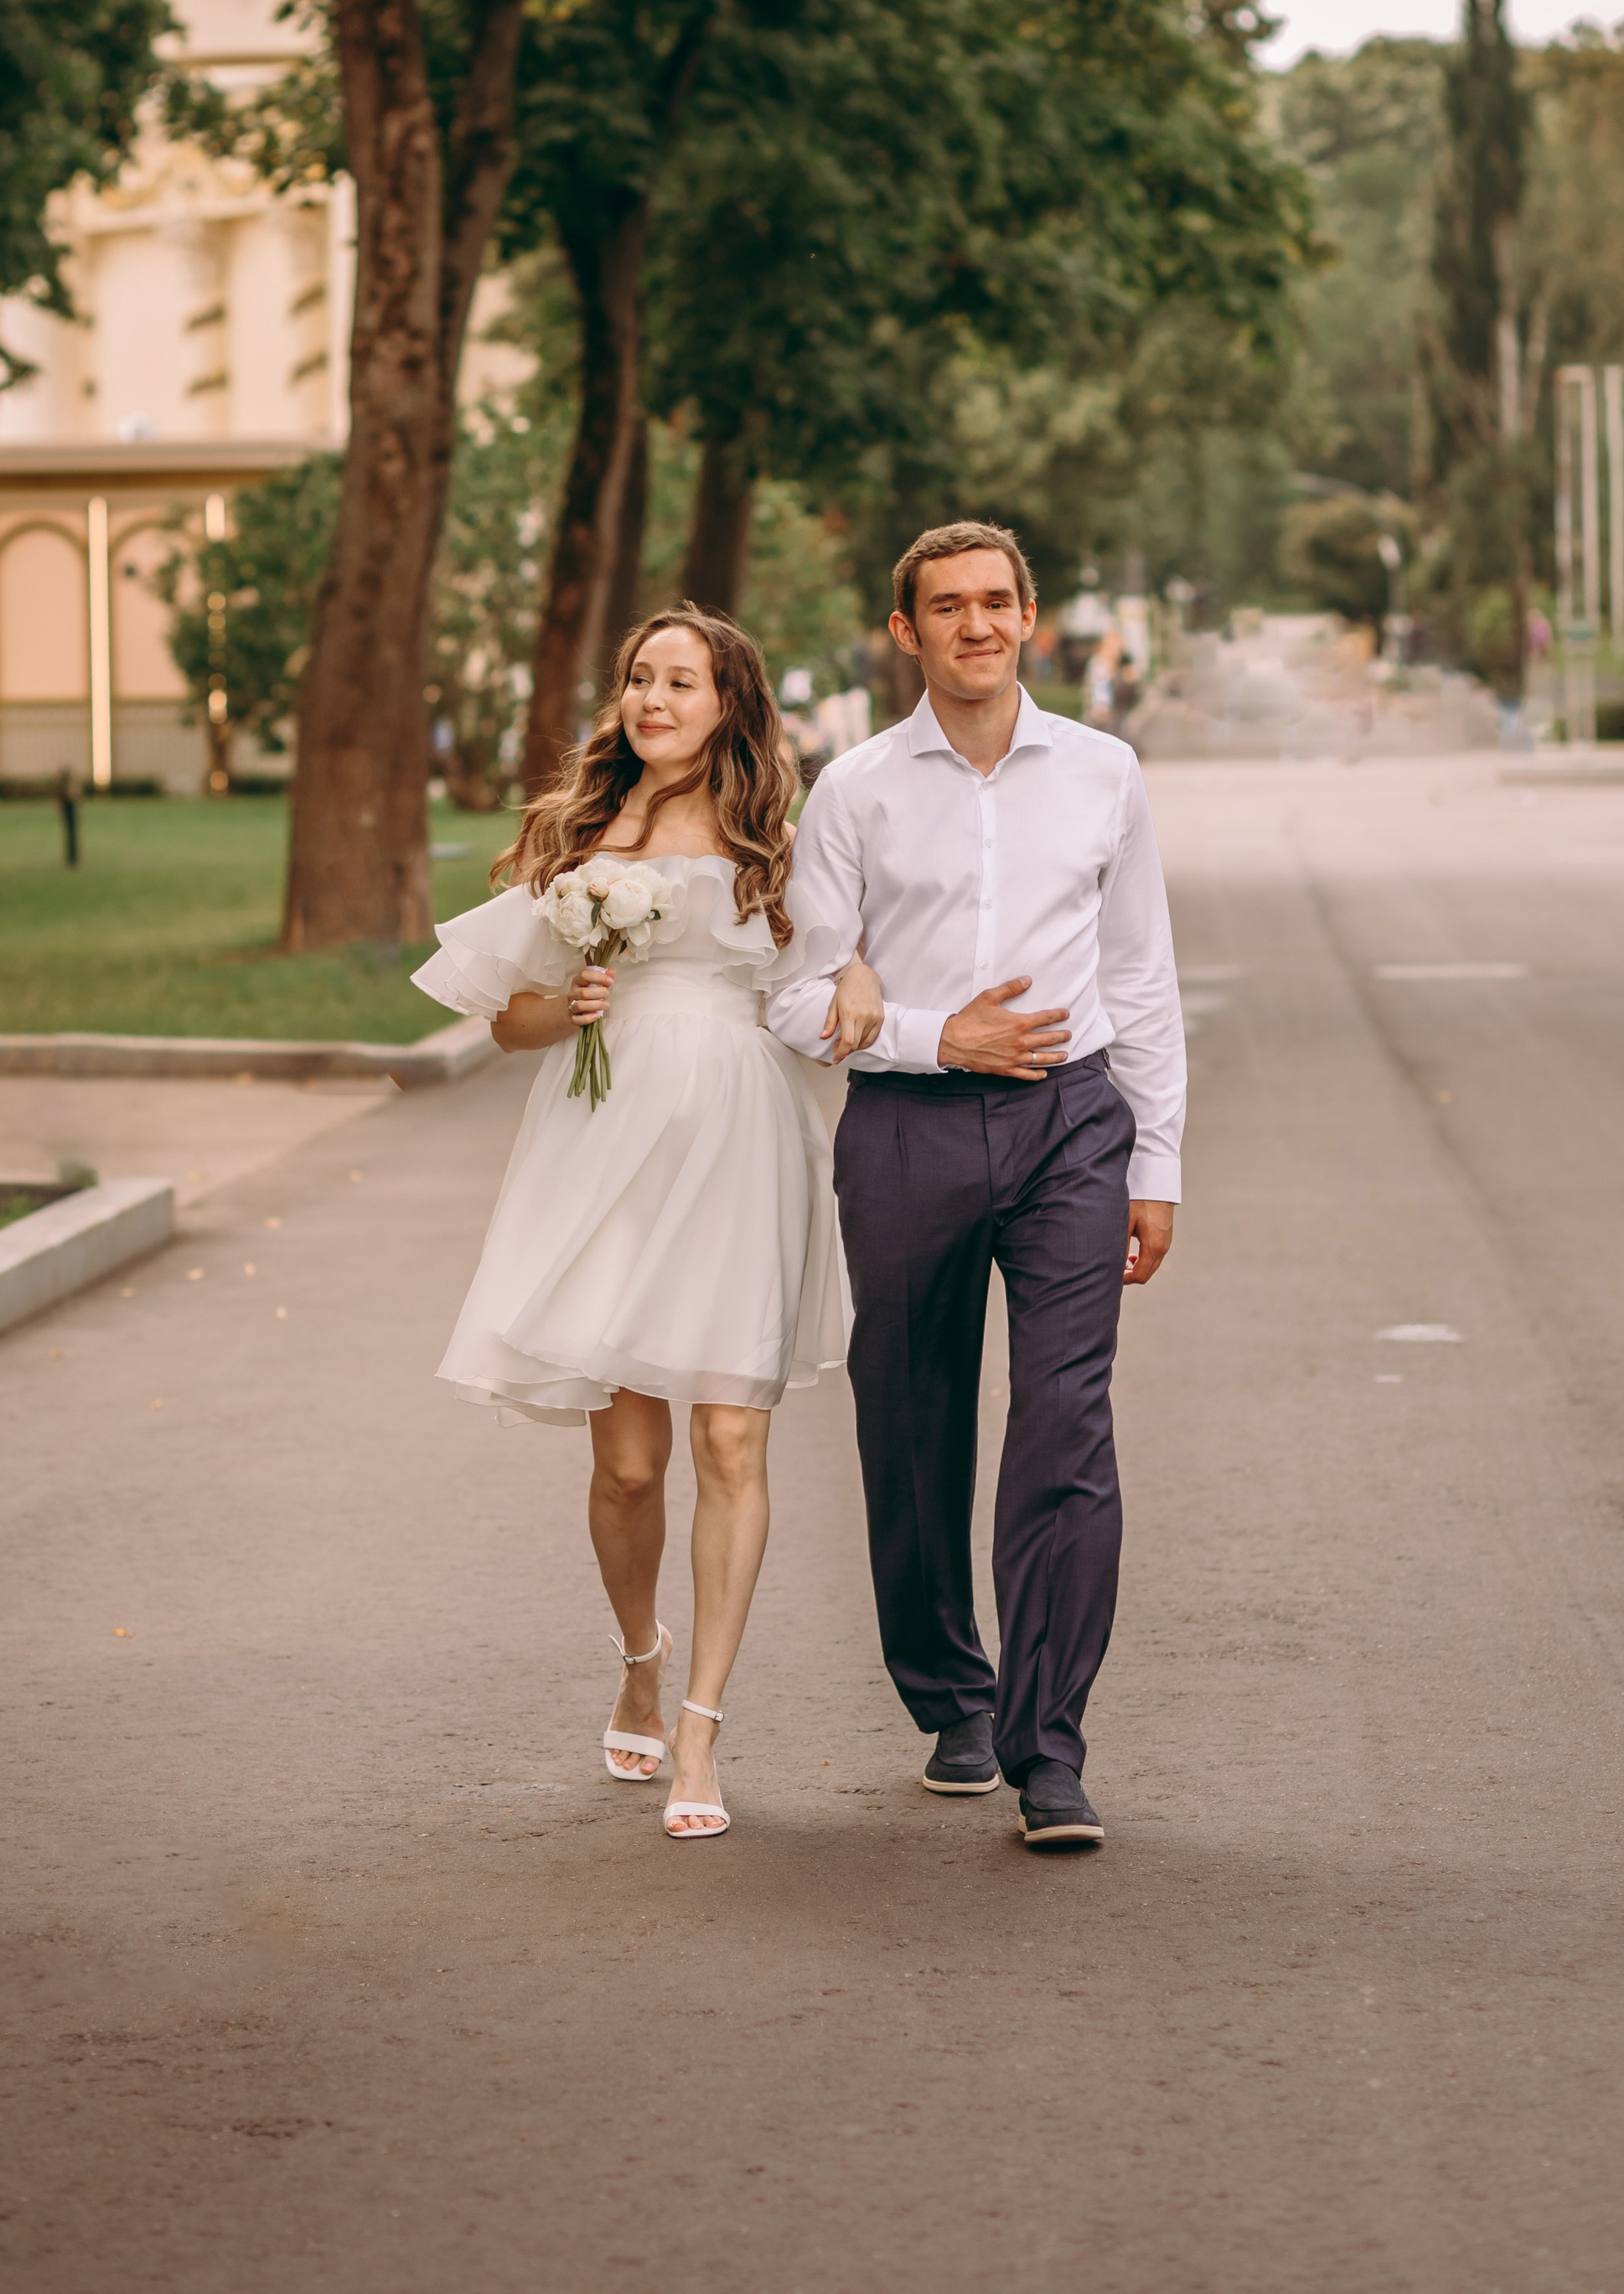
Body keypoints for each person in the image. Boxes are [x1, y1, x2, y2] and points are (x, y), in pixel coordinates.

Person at [412, 605, 882, 1842]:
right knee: (627, 1464)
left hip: (740, 1139)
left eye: (681, 681)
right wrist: (567, 1004)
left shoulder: (774, 842)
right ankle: (639, 1656)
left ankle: (702, 1730)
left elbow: (833, 960)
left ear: (730, 703)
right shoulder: (583, 838)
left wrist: (857, 971)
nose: (653, 699)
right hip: (606, 1141)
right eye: (638, 678)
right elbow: (506, 1020)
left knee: (730, 1436)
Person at [767, 522, 1185, 1851]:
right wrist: (936, 1036)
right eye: (946, 606)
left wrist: (1157, 1161)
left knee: (1066, 1424)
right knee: (912, 1420)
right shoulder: (854, 791)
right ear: (907, 632)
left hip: (1074, 1125)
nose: (976, 625)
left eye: (997, 601)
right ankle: (952, 1695)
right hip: (908, 1128)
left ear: (1030, 617)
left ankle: (1048, 1746)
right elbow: (796, 994)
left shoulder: (1105, 772)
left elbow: (1141, 973)